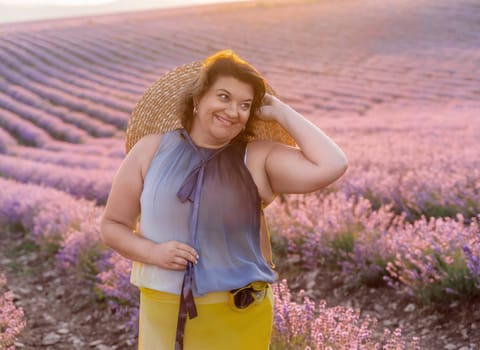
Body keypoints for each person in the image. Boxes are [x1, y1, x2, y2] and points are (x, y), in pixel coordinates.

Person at [100, 49, 348, 350]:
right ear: (197, 98)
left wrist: (281, 112)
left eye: (245, 105)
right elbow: (112, 225)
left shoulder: (257, 156)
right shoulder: (150, 151)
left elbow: (333, 164)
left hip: (240, 310)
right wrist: (153, 253)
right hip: (164, 305)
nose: (234, 112)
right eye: (223, 97)